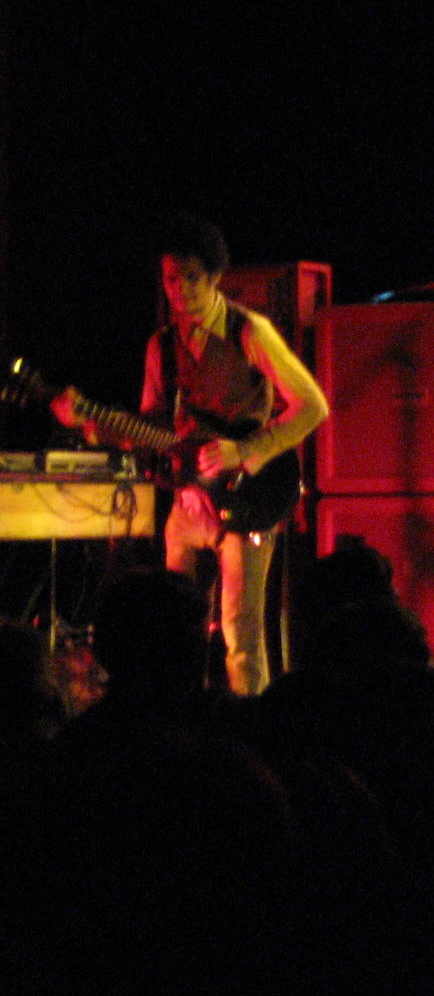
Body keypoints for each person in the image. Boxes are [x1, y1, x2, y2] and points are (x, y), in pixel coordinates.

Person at [52, 215, 329, 695]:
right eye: (171, 280)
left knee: (241, 638)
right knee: (175, 629)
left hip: (248, 497)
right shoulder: (161, 347)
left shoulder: (250, 332)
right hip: (189, 500)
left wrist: (246, 449)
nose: (181, 290)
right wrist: (90, 423)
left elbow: (313, 406)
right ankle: (180, 720)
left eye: (192, 278)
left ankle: (251, 728)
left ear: (216, 277)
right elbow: (151, 430)